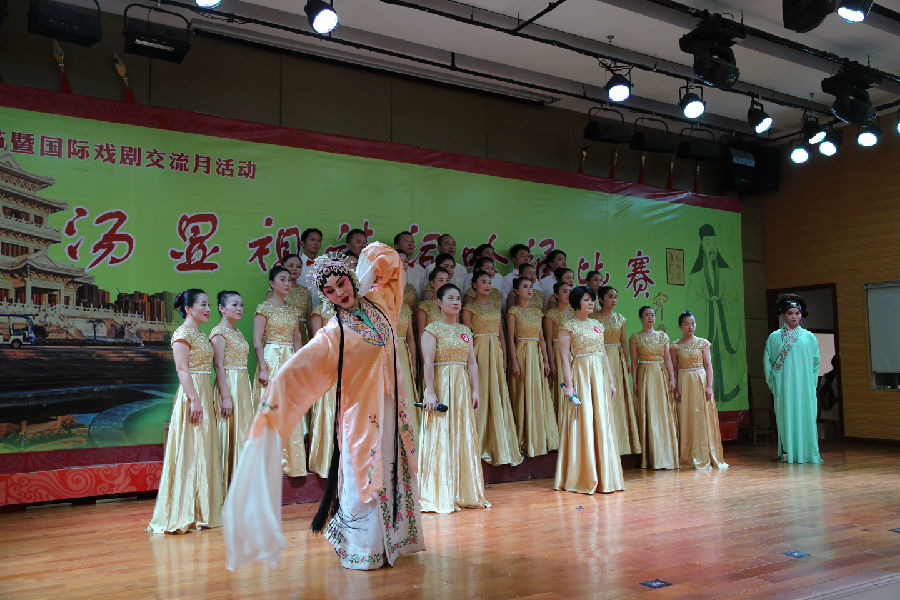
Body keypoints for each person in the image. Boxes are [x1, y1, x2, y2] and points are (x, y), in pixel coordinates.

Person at [223, 243, 424, 571]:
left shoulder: (381, 301)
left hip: (392, 405)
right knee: (365, 475)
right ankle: (363, 549)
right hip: (363, 414)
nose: (339, 293)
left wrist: (363, 273)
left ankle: (394, 543)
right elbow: (296, 370)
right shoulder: (333, 333)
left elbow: (389, 261)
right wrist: (274, 394)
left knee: (391, 468)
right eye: (330, 291)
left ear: (352, 279)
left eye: (342, 284)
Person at [147, 289, 224, 534]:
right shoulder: (182, 334)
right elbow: (182, 369)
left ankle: (203, 509)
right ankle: (185, 510)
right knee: (190, 449)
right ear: (189, 309)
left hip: (203, 394)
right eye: (203, 304)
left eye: (209, 304)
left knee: (204, 448)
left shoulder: (200, 334)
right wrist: (194, 399)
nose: (208, 309)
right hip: (192, 396)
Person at [419, 283, 490, 513]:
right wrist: (430, 392)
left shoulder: (465, 331)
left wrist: (475, 390)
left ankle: (464, 491)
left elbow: (472, 363)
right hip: (442, 385)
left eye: (458, 298)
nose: (455, 302)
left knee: (462, 434)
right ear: (439, 302)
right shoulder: (431, 330)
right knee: (441, 434)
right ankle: (440, 493)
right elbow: (428, 363)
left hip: (461, 388)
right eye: (450, 298)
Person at [555, 286, 624, 494]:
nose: (591, 303)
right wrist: (569, 386)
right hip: (581, 376)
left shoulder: (597, 325)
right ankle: (583, 475)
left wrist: (610, 380)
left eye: (592, 300)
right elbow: (564, 359)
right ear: (577, 302)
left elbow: (603, 354)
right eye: (586, 300)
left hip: (599, 377)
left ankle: (605, 476)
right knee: (583, 420)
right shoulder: (568, 326)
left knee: (602, 421)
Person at [462, 270, 522, 467]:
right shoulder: (469, 308)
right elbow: (466, 335)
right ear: (474, 285)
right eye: (483, 282)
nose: (487, 285)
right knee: (480, 392)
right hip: (478, 351)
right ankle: (477, 443)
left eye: (489, 282)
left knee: (496, 393)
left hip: (495, 351)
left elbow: (501, 334)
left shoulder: (496, 307)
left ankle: (499, 443)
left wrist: (504, 356)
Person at [252, 266, 304, 477]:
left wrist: (299, 363)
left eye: (289, 280)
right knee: (272, 407)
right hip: (272, 358)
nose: (287, 283)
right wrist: (263, 368)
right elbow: (257, 340)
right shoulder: (263, 308)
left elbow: (297, 340)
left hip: (289, 359)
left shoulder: (293, 310)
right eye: (282, 279)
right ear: (272, 283)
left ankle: (291, 462)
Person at [764, 295, 822, 464]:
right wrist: (773, 384)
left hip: (804, 387)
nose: (794, 316)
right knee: (785, 419)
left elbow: (815, 363)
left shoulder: (809, 337)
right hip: (784, 387)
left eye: (797, 313)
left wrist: (811, 385)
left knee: (806, 419)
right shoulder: (774, 337)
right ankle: (788, 453)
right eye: (790, 313)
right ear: (783, 315)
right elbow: (768, 362)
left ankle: (807, 453)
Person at [507, 277, 559, 457]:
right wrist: (514, 361)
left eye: (531, 286)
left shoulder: (537, 312)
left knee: (538, 395)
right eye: (525, 287)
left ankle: (541, 438)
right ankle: (525, 439)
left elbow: (542, 339)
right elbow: (511, 339)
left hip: (536, 356)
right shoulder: (513, 311)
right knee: (523, 394)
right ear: (516, 291)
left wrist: (546, 361)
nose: (529, 290)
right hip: (521, 354)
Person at [671, 311, 728, 470]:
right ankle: (688, 456)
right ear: (680, 326)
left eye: (693, 323)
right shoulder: (675, 346)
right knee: (686, 417)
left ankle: (706, 455)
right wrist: (676, 388)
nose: (690, 327)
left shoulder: (703, 343)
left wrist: (709, 386)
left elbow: (708, 366)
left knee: (702, 417)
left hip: (700, 382)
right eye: (686, 324)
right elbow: (674, 367)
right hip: (684, 382)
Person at [210, 290, 251, 490]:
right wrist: (226, 397)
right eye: (234, 304)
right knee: (228, 434)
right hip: (229, 386)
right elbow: (218, 366)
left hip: (242, 385)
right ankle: (225, 488)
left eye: (241, 304)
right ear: (222, 308)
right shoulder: (219, 333)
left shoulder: (238, 332)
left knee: (243, 434)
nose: (239, 308)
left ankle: (242, 488)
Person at [629, 306, 679, 470]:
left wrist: (672, 378)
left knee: (662, 411)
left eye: (652, 315)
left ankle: (666, 455)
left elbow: (668, 359)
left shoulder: (663, 336)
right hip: (644, 374)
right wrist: (635, 382)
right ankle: (650, 457)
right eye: (646, 315)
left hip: (661, 375)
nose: (650, 317)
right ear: (640, 318)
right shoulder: (635, 338)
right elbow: (634, 362)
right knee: (649, 411)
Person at [594, 286, 641, 456]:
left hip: (617, 358)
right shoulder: (593, 318)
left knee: (618, 396)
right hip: (599, 357)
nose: (614, 300)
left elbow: (623, 341)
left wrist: (626, 361)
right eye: (610, 297)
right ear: (600, 299)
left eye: (615, 297)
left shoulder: (620, 318)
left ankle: (621, 440)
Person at [307, 299, 337, 479]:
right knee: (328, 409)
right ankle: (325, 460)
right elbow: (317, 341)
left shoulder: (348, 310)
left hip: (348, 363)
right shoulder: (319, 310)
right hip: (327, 363)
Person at [543, 281, 574, 427]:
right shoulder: (551, 314)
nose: (568, 294)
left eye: (569, 291)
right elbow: (548, 340)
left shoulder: (574, 313)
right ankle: (561, 424)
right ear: (556, 295)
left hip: (573, 352)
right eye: (564, 291)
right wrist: (551, 362)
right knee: (561, 385)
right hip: (557, 351)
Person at [283, 253, 313, 344]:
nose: (294, 269)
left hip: (303, 335)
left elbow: (309, 319)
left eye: (298, 266)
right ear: (282, 267)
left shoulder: (306, 291)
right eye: (291, 266)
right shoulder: (276, 290)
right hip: (283, 335)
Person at [394, 231, 427, 299]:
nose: (410, 244)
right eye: (406, 241)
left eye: (412, 242)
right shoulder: (389, 268)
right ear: (396, 246)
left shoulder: (421, 270)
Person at [297, 228, 324, 303]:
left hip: (320, 308)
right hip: (300, 307)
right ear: (303, 243)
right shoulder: (295, 265)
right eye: (312, 240)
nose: (316, 243)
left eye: (319, 240)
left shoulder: (324, 265)